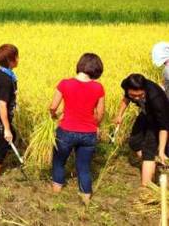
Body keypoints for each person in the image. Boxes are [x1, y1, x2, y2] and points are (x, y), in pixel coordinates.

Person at [49, 53, 105, 204]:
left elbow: (53, 106)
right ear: (97, 69)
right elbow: (100, 113)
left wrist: (54, 116)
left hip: (66, 131)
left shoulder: (65, 84)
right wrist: (95, 125)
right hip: (89, 134)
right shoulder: (98, 87)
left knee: (59, 162)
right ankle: (86, 198)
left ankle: (56, 195)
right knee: (84, 167)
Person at [115, 73, 169, 186]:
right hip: (146, 114)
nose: (137, 98)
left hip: (161, 119)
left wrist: (161, 150)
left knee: (149, 148)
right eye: (133, 95)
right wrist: (119, 115)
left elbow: (164, 127)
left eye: (140, 95)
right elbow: (126, 98)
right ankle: (152, 162)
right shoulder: (127, 85)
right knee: (134, 142)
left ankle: (147, 186)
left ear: (145, 90)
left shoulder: (156, 98)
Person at [0, 44, 19, 180]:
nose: (18, 59)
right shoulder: (6, 80)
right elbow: (2, 105)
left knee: (14, 136)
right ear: (10, 61)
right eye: (16, 57)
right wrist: (6, 128)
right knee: (1, 143)